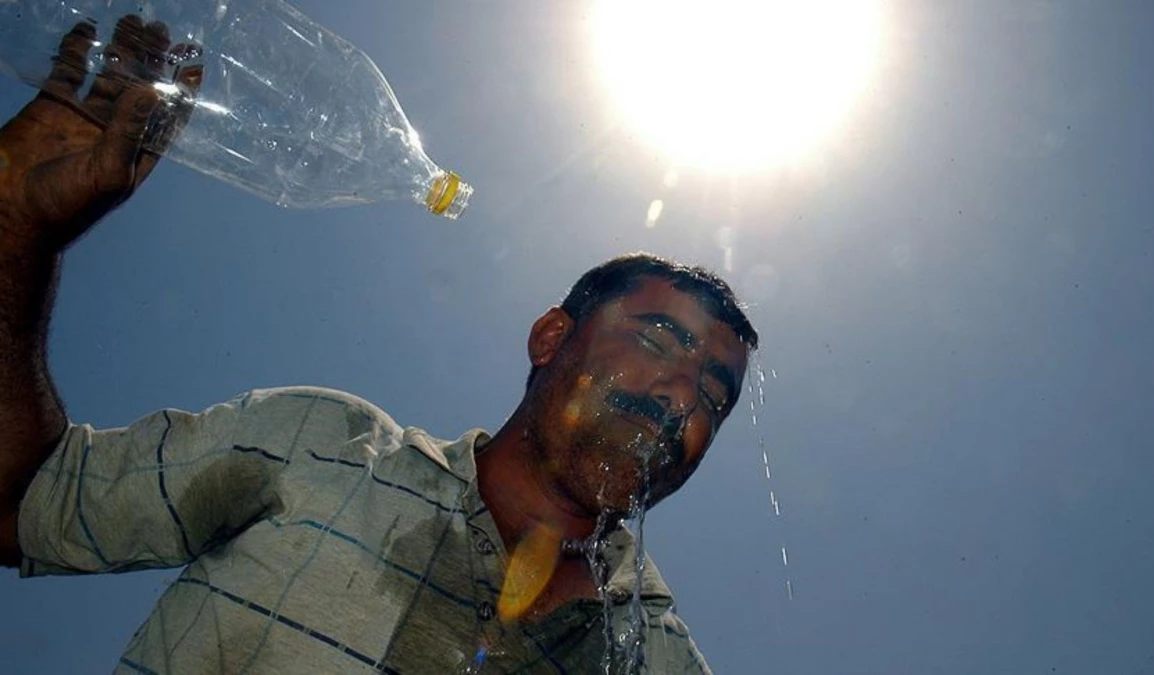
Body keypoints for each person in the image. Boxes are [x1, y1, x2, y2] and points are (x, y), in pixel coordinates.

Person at [0, 18, 758, 675]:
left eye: (715, 395)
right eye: (660, 337)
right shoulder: (316, 449)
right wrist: (16, 221)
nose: (682, 395)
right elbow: (23, 502)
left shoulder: (653, 656)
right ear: (551, 336)